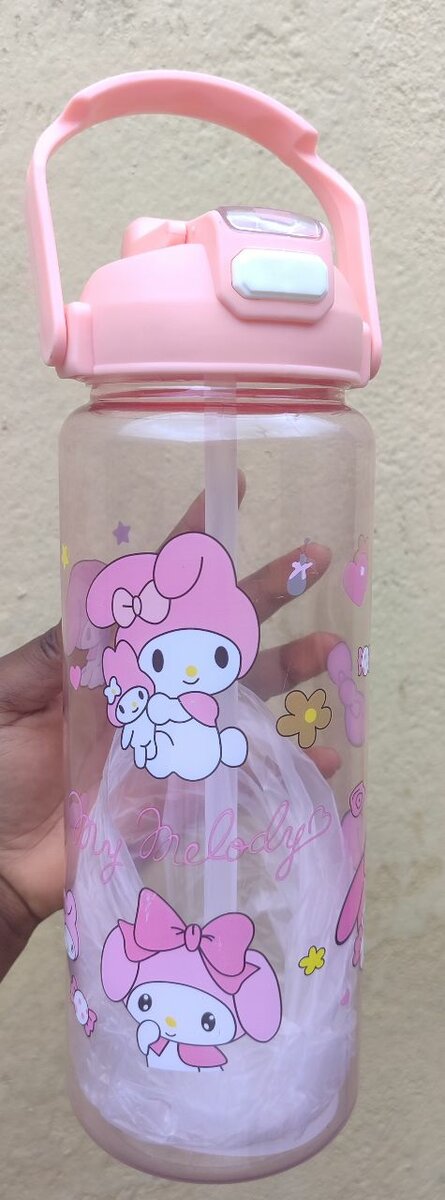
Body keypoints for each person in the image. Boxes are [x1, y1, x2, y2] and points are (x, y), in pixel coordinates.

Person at [0, 488, 340, 982]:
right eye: (160, 658)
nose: (194, 673)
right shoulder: (143, 706)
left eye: (219, 658)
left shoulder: (216, 708)